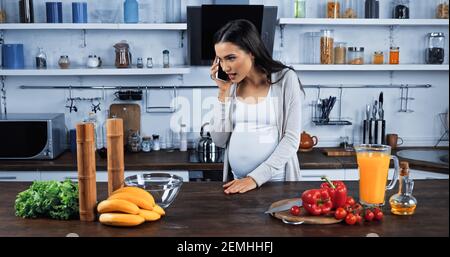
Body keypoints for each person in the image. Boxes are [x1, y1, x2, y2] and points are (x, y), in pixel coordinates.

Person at [209, 19, 304, 195]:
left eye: (231, 58)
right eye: (221, 60)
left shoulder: (285, 79)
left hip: (276, 182)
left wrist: (254, 178)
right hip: (237, 183)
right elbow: (219, 140)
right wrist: (222, 94)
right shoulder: (231, 85)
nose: (225, 67)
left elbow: (291, 141)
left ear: (251, 52)